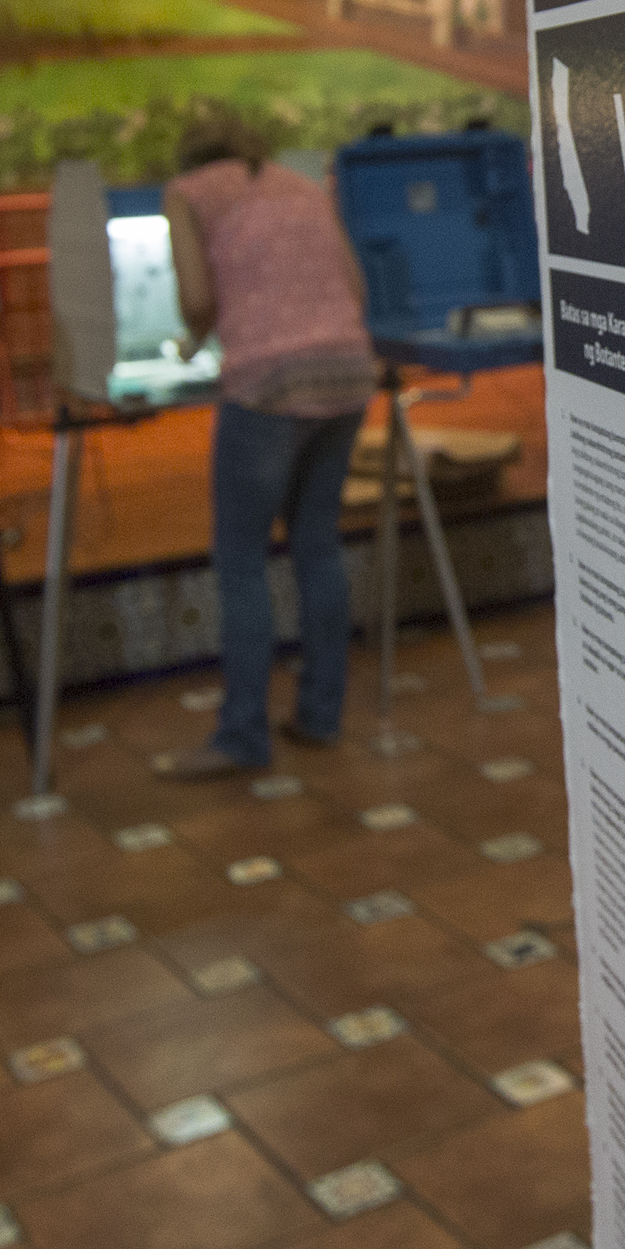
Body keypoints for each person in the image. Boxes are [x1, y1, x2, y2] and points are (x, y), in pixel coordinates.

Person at [161, 105, 378, 778]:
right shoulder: (299, 183)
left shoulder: (188, 192)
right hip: (346, 370)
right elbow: (356, 288)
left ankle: (243, 735)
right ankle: (320, 712)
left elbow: (197, 300)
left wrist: (196, 335)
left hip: (268, 383)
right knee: (317, 543)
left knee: (242, 559)